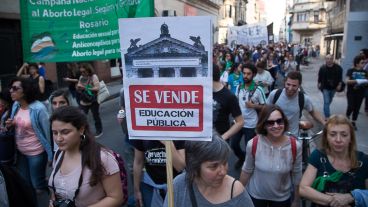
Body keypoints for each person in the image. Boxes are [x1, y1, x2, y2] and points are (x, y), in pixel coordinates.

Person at [48, 106, 123, 207]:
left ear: (81, 129)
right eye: (55, 133)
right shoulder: (58, 154)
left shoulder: (102, 158)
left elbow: (116, 198)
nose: (58, 138)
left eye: (65, 132)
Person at [164, 132, 254, 207]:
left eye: (224, 163)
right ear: (195, 166)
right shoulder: (179, 185)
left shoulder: (236, 191)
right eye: (214, 166)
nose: (223, 172)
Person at [239, 105, 302, 207]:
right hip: (256, 196)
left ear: (284, 122)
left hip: (282, 199)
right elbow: (247, 170)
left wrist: (296, 200)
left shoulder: (295, 146)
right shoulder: (253, 144)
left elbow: (297, 175)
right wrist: (239, 195)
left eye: (279, 121)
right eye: (270, 123)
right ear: (263, 125)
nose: (276, 126)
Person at [299, 115, 368, 207]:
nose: (338, 140)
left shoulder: (363, 160)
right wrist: (336, 201)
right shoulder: (318, 156)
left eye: (344, 135)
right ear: (326, 137)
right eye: (332, 134)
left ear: (351, 138)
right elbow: (303, 188)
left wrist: (351, 197)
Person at [6, 77, 52, 194]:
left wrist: (51, 156)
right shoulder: (16, 105)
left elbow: (48, 133)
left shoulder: (39, 109)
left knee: (37, 183)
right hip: (20, 151)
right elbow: (15, 122)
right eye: (11, 88)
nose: (11, 91)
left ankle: (53, 194)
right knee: (25, 182)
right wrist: (11, 124)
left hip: (36, 153)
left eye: (15, 88)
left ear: (26, 90)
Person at [267, 71, 325, 136]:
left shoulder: (303, 98)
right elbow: (265, 111)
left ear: (299, 86)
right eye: (288, 84)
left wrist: (324, 123)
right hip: (274, 136)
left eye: (294, 86)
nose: (290, 88)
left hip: (293, 138)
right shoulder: (274, 94)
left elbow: (313, 112)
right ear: (284, 82)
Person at [131, 139, 185, 207]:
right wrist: (136, 190)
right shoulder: (142, 132)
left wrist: (168, 143)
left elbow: (180, 167)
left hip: (175, 185)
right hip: (151, 185)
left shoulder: (178, 134)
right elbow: (138, 162)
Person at [233, 63, 266, 168]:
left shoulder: (258, 89)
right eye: (244, 73)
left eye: (248, 74)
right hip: (239, 123)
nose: (245, 76)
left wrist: (253, 106)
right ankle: (242, 158)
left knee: (250, 148)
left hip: (251, 124)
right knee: (234, 145)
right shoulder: (238, 87)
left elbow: (265, 107)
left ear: (254, 75)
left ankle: (248, 166)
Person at [213, 64, 244, 140]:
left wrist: (223, 137)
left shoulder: (229, 96)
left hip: (219, 141)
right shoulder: (201, 92)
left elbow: (240, 122)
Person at [76, 63, 103, 138]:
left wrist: (85, 87)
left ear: (88, 70)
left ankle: (99, 130)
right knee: (82, 117)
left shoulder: (93, 76)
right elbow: (79, 86)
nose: (82, 73)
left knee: (96, 116)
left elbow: (97, 88)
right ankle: (84, 132)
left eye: (84, 71)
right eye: (81, 72)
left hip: (93, 100)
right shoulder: (81, 77)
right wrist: (78, 88)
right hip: (84, 101)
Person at [345, 55, 368, 130]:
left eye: (364, 63)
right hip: (351, 92)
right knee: (351, 106)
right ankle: (347, 115)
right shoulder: (351, 70)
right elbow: (347, 81)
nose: (364, 64)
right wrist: (357, 81)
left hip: (361, 93)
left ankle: (353, 122)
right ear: (357, 63)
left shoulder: (365, 72)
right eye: (362, 63)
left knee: (357, 108)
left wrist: (365, 82)